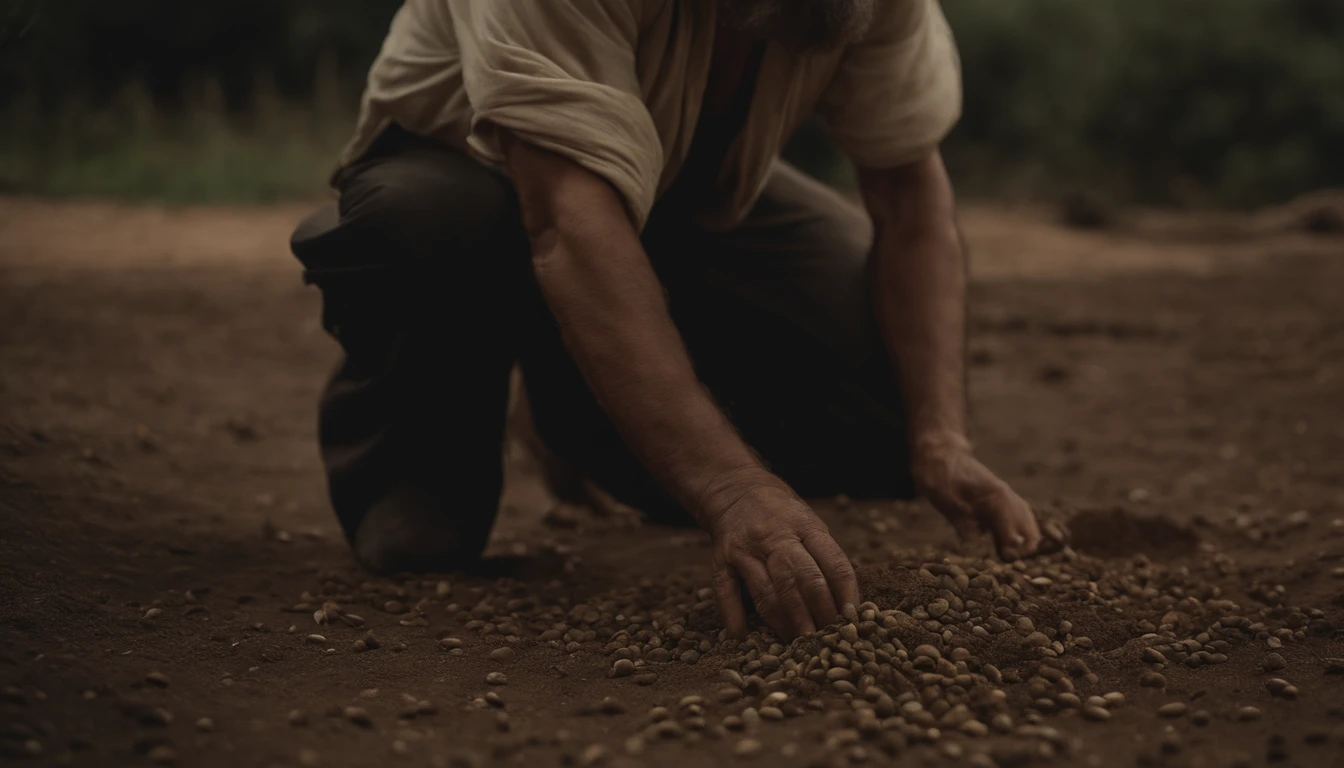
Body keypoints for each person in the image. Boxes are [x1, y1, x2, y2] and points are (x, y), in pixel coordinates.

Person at [288, 0, 1042, 640]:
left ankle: (572, 409)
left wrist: (940, 437)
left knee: (882, 420)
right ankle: (434, 428)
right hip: (476, 177)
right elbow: (567, 221)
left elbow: (910, 199)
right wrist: (734, 491)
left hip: (680, 188)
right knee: (426, 226)